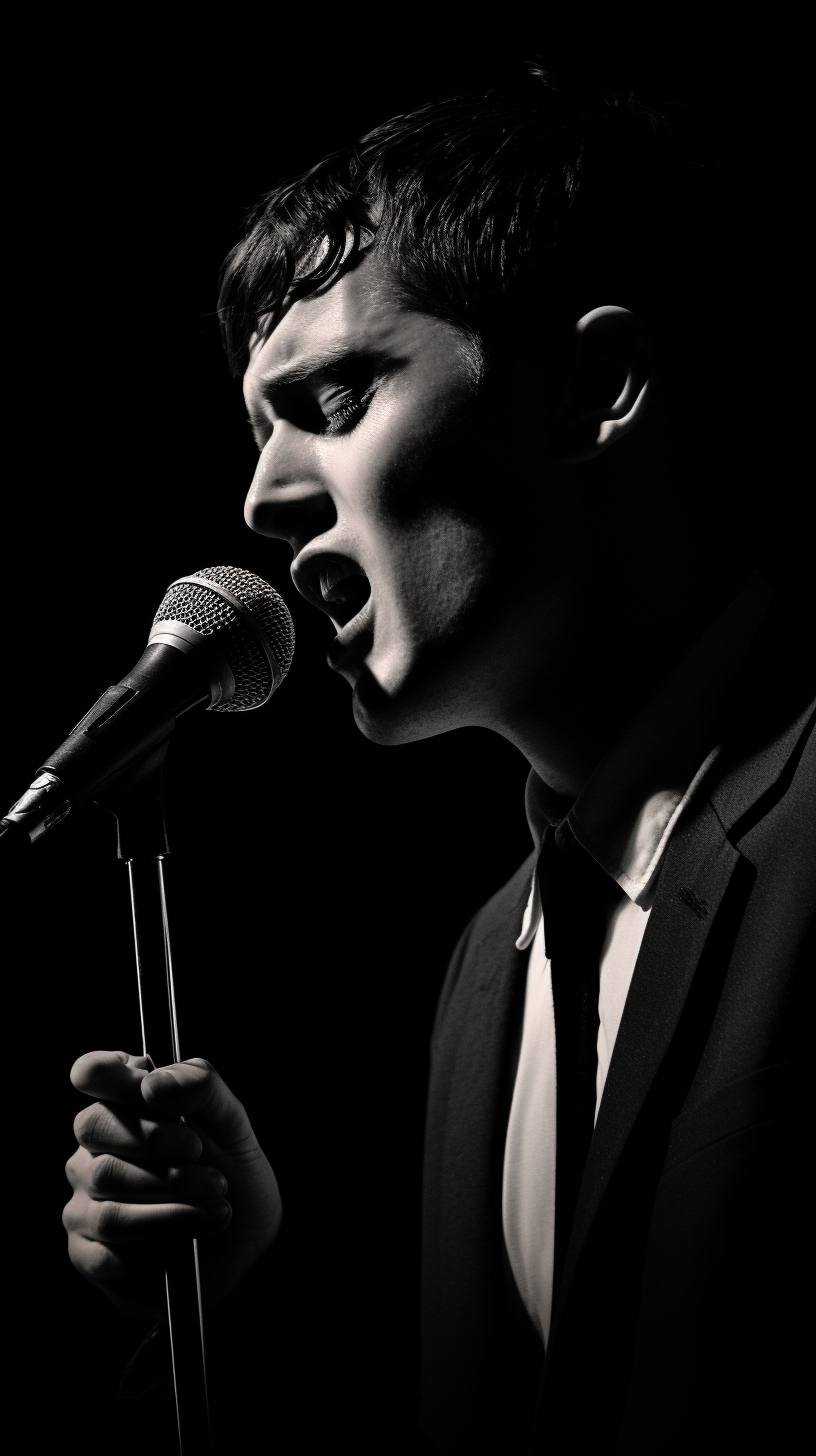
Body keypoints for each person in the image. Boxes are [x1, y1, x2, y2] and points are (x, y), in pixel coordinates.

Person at [62, 66, 813, 1452]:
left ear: (596, 385)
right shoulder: (490, 963)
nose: (265, 498)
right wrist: (238, 1296)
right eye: (257, 432)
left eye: (337, 396)